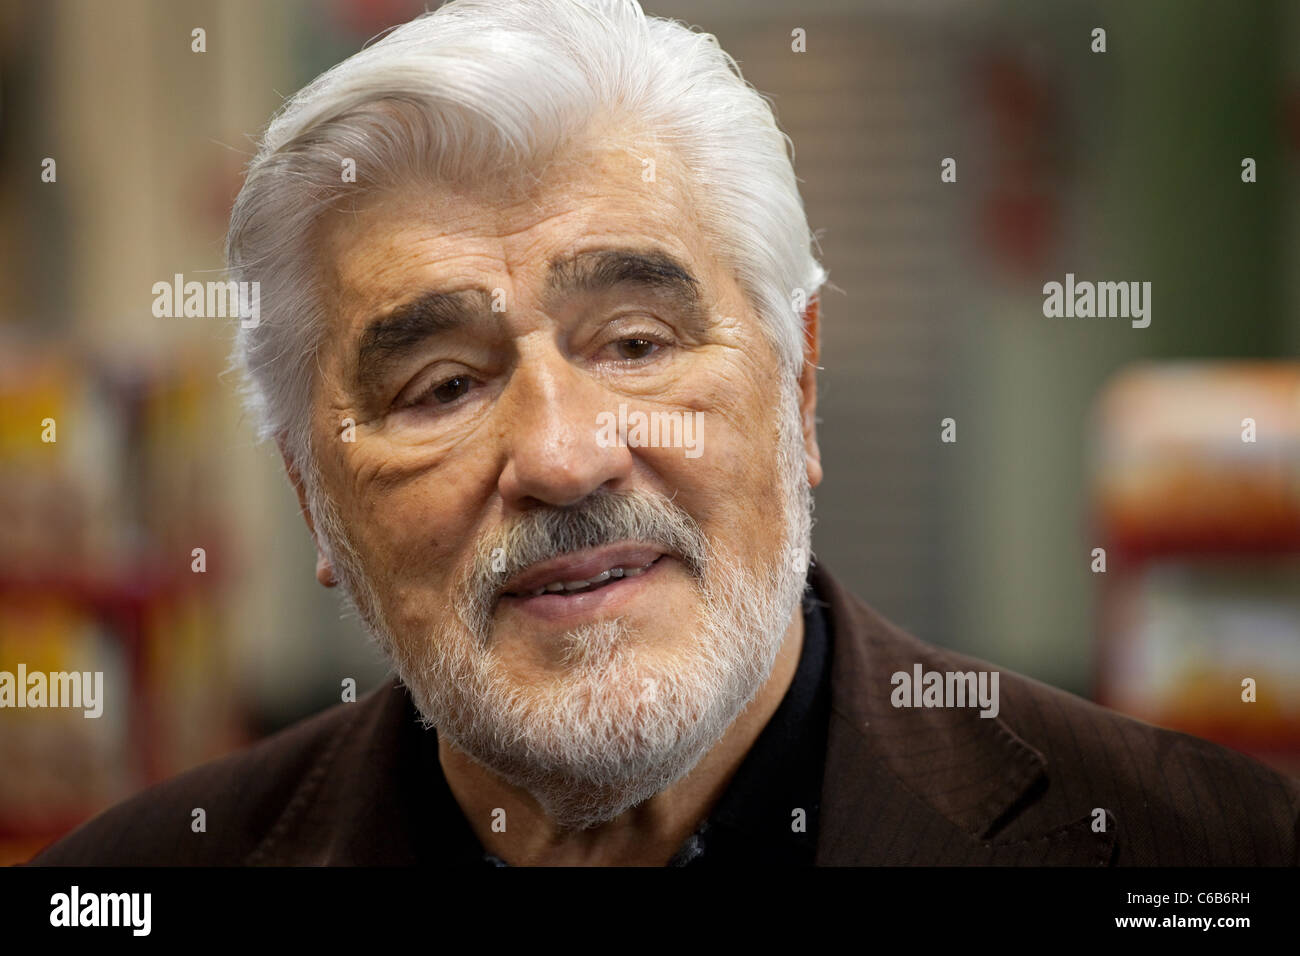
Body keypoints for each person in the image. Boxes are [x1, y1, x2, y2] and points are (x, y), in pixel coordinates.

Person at [32, 0, 1299, 866]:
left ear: (796, 388)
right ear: (314, 497)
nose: (565, 454)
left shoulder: (1199, 853)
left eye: (636, 343)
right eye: (438, 386)